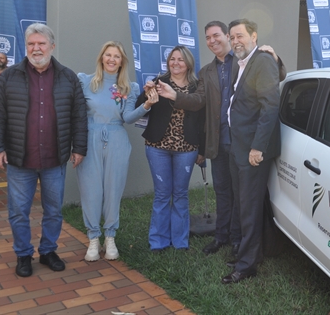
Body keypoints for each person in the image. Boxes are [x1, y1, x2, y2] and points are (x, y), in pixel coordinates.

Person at [156, 21, 286, 257]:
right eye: (207, 37)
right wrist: (175, 95)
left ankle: (238, 240)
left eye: (216, 35)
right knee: (223, 192)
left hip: (244, 142)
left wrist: (275, 58)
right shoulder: (206, 71)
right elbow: (198, 101)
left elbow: (276, 78)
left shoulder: (246, 59)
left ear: (227, 36)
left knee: (241, 195)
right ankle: (221, 236)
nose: (212, 40)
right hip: (219, 141)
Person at [0, 23, 88, 278]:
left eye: (41, 43)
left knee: (53, 210)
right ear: (26, 46)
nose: (36, 48)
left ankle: (48, 251)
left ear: (52, 46)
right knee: (19, 211)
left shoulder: (68, 77)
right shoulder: (8, 77)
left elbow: (79, 116)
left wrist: (80, 147)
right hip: (20, 159)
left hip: (56, 158)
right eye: (31, 43)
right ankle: (23, 254)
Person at [76, 41, 158, 262]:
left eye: (117, 56)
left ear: (122, 61)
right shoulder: (85, 81)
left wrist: (147, 106)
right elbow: (76, 113)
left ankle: (110, 237)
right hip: (90, 138)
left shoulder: (128, 88)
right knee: (91, 189)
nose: (112, 59)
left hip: (117, 140)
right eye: (108, 55)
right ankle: (93, 238)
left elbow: (127, 118)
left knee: (113, 189)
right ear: (102, 57)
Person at [222, 19, 280, 284]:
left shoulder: (263, 60)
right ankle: (246, 252)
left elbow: (270, 107)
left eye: (240, 36)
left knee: (249, 207)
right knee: (242, 203)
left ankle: (247, 265)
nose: (235, 41)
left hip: (252, 152)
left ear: (254, 36)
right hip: (239, 147)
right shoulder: (241, 62)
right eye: (232, 37)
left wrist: (257, 147)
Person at [136, 45, 205, 251]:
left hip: (187, 148)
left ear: (188, 63)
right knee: (162, 194)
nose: (175, 63)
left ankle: (180, 241)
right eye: (172, 59)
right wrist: (146, 94)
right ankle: (158, 241)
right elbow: (140, 109)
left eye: (180, 59)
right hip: (158, 147)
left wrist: (201, 150)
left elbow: (203, 119)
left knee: (181, 194)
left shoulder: (197, 86)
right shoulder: (159, 83)